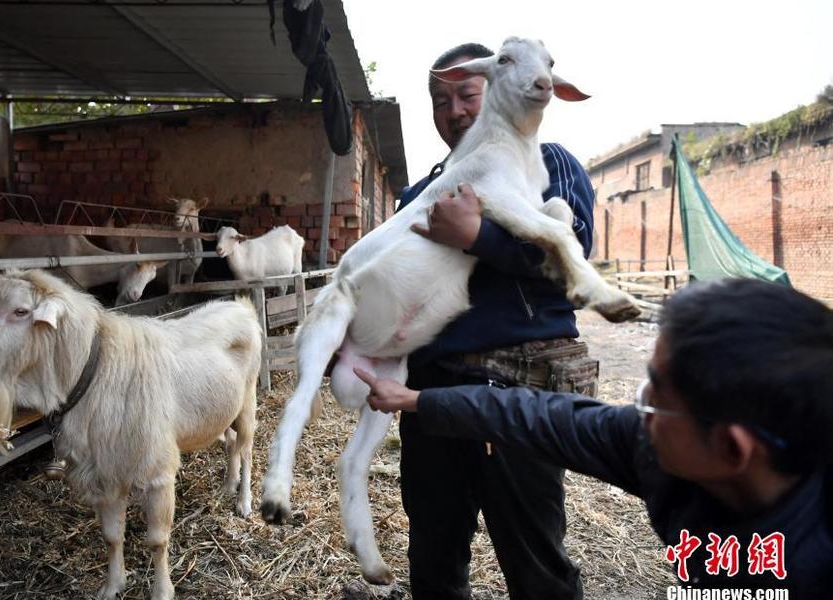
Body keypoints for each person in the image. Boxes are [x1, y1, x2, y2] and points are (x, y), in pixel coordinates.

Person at [356, 278, 833, 598]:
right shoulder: (658, 447)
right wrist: (418, 401)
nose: (638, 403)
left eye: (657, 394)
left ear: (731, 448)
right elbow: (542, 416)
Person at [395, 42, 596, 599]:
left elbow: (571, 261)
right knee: (433, 560)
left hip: (518, 393)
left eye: (466, 95)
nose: (454, 111)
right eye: (440, 101)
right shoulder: (422, 193)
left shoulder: (548, 162)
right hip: (430, 402)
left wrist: (476, 238)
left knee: (535, 564)